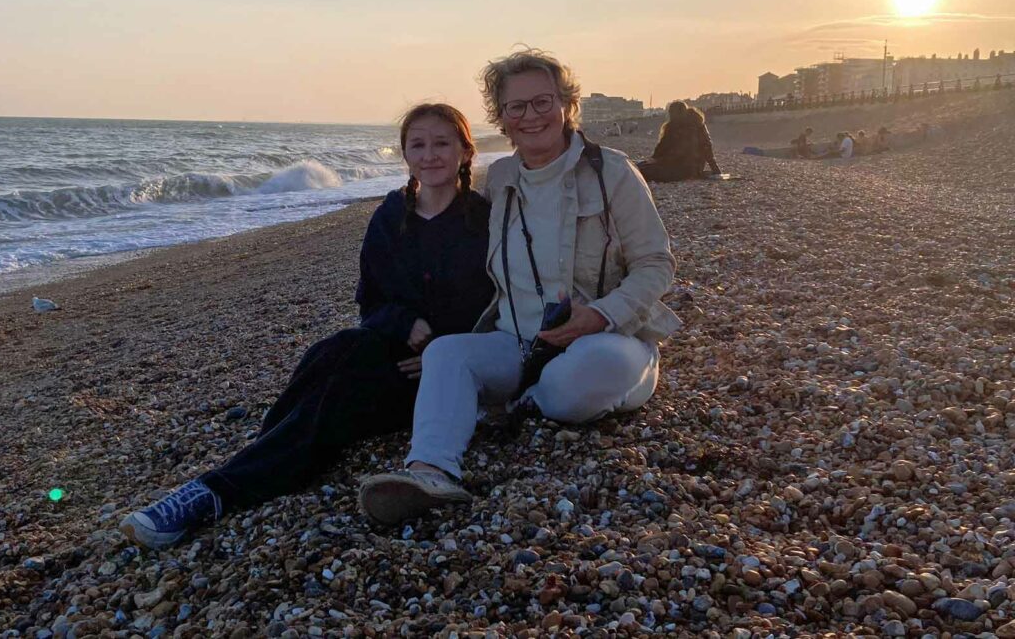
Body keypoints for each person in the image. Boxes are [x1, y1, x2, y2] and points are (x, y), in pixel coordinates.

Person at [119, 104, 494, 549]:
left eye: (442, 143)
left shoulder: (483, 220)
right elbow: (370, 301)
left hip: (440, 379)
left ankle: (213, 493)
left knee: (332, 400)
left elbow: (495, 303)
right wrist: (403, 321)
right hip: (391, 351)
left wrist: (440, 351)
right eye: (418, 145)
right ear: (405, 155)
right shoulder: (390, 215)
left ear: (465, 153)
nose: (430, 154)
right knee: (333, 351)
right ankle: (258, 456)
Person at [358, 49, 680, 525]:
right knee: (446, 354)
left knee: (586, 374)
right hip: (519, 343)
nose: (531, 117)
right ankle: (430, 471)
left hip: (607, 339)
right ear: (502, 118)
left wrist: (601, 315)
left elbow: (656, 264)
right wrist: (406, 322)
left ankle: (526, 401)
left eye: (542, 102)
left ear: (567, 104)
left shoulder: (612, 172)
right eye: (516, 107)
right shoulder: (502, 179)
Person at [636, 101, 721, 181]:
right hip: (693, 169)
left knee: (640, 170)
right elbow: (707, 148)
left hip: (676, 168)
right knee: (640, 167)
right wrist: (715, 169)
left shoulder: (672, 127)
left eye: (670, 112)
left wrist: (654, 159)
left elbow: (661, 148)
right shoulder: (699, 125)